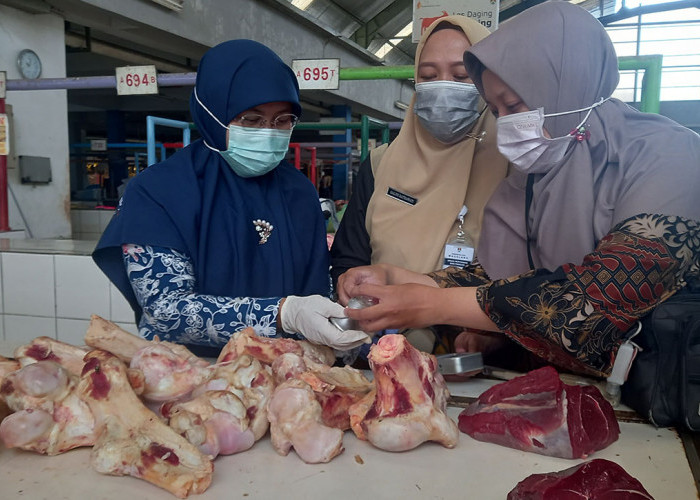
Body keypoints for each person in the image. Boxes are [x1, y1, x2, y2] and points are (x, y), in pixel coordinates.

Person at [337, 2, 700, 379]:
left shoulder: (666, 156)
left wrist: (434, 304)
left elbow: (594, 303)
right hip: (573, 389)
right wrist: (395, 277)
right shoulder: (538, 174)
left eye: (514, 104)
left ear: (568, 82)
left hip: (663, 394)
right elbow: (498, 278)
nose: (507, 126)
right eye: (495, 111)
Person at [93, 40, 370, 356]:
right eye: (251, 120)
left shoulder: (298, 191)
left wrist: (344, 325)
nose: (268, 132)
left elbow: (317, 286)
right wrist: (284, 313)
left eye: (283, 120)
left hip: (288, 376)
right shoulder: (159, 191)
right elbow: (167, 310)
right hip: (189, 379)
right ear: (212, 113)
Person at [330, 15, 508, 351]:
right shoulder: (382, 164)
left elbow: (530, 281)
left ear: (490, 82)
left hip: (482, 363)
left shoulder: (515, 167)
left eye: (461, 76)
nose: (443, 88)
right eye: (428, 76)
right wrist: (354, 290)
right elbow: (349, 257)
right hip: (382, 352)